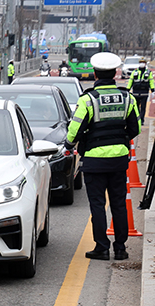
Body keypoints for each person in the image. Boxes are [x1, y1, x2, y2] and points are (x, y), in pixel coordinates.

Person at [65, 52, 141, 261]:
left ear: (95, 73)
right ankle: (121, 249)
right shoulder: (127, 97)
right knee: (118, 204)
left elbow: (74, 131)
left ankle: (101, 247)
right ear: (115, 73)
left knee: (97, 204)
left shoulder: (88, 99)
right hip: (119, 160)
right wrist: (120, 139)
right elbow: (136, 128)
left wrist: (69, 145)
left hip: (94, 161)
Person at [127, 58, 153, 123]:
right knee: (136, 107)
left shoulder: (148, 72)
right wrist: (128, 89)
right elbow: (131, 81)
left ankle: (142, 120)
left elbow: (151, 81)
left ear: (145, 64)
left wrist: (153, 90)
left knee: (143, 107)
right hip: (136, 92)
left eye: (143, 62)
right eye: (141, 62)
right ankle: (137, 119)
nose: (142, 64)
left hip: (144, 93)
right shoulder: (134, 72)